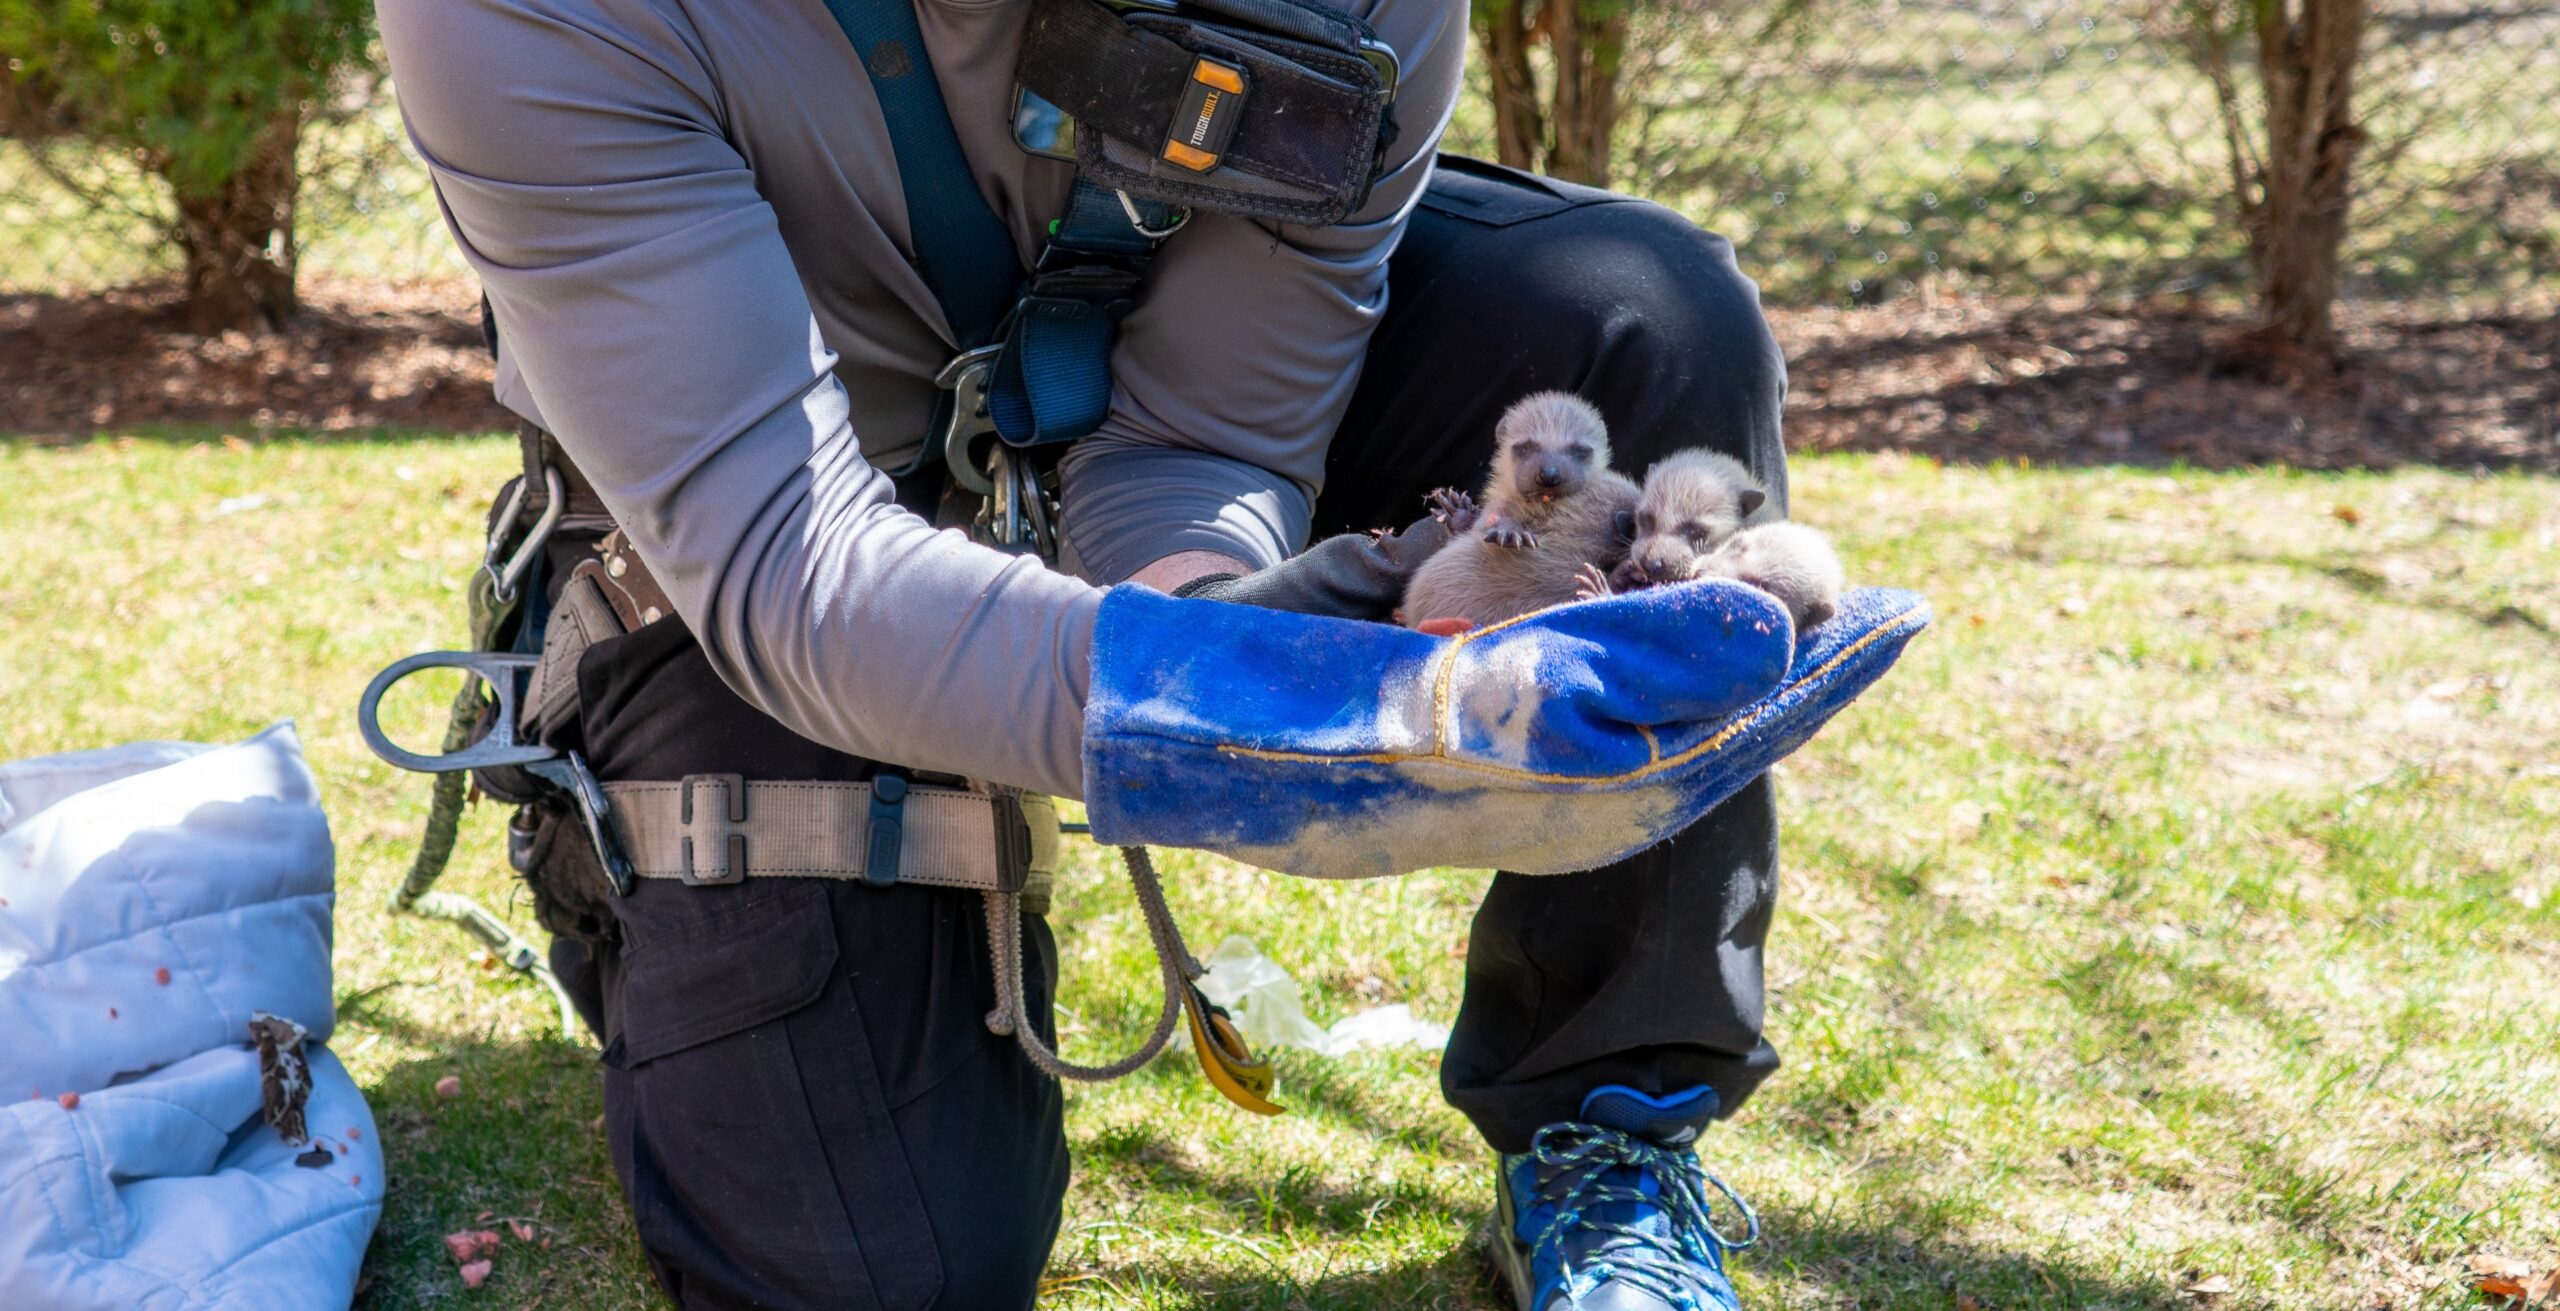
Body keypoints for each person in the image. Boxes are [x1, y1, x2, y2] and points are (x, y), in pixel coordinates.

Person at [377, 0, 1795, 1305]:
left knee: (1638, 319)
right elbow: (790, 573)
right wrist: (1208, 707)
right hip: (752, 546)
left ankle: (1607, 1124)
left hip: (1114, 398)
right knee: (887, 1274)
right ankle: (611, 839)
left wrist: (1227, 606)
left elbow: (1208, 431)